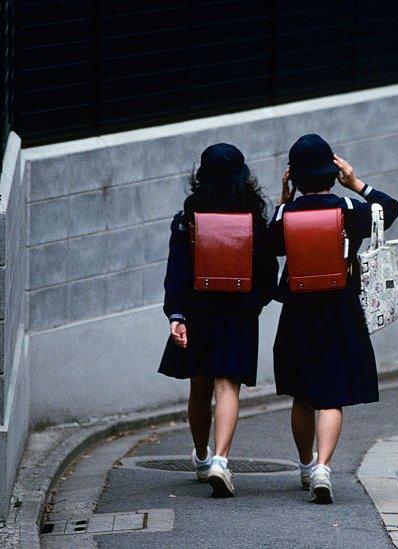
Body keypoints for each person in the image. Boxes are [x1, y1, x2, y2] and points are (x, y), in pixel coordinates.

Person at [269, 134, 398, 504]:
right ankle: (325, 467)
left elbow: (268, 245)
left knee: (302, 395)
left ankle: (306, 465)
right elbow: (390, 208)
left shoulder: (284, 216)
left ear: (293, 177)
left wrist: (284, 200)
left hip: (297, 312)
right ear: (332, 171)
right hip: (340, 309)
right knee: (331, 394)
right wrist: (356, 183)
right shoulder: (349, 209)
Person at [158, 143, 278, 498]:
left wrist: (176, 315)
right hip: (238, 310)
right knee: (228, 387)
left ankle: (199, 456)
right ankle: (221, 460)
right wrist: (254, 304)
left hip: (198, 308)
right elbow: (268, 271)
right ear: (243, 181)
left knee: (200, 386)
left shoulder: (187, 220)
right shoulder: (254, 222)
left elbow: (176, 270)